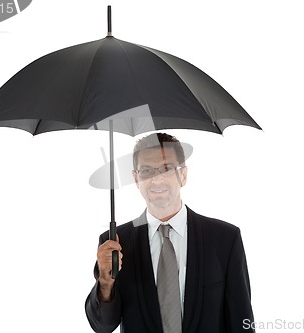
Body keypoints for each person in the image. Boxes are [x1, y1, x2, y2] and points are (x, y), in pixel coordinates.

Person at [85, 133, 254, 333]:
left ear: (183, 175)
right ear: (136, 179)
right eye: (146, 170)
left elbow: (241, 320)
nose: (156, 179)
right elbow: (102, 326)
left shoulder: (224, 239)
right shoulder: (115, 242)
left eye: (166, 168)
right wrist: (105, 279)